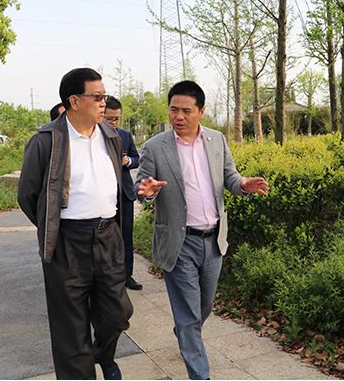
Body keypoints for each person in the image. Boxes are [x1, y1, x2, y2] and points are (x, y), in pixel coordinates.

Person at [133, 80, 269, 380]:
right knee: (190, 314)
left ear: (201, 111)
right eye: (174, 110)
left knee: (203, 306)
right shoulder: (155, 146)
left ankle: (185, 330)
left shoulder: (216, 140)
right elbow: (140, 187)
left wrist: (243, 184)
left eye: (186, 111)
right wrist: (147, 192)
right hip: (179, 242)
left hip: (214, 240)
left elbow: (230, 177)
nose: (179, 117)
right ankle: (200, 373)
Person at [17, 67, 133, 380]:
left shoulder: (111, 137)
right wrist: (54, 226)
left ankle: (100, 355)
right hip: (67, 243)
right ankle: (80, 366)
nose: (103, 102)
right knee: (71, 329)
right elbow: (28, 196)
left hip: (107, 238)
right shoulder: (46, 141)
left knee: (119, 313)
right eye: (97, 96)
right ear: (74, 101)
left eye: (104, 96)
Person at [103, 96, 143, 290]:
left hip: (125, 194)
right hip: (104, 196)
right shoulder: (95, 136)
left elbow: (137, 158)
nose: (113, 122)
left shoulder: (126, 135)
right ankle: (109, 277)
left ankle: (127, 275)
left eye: (116, 119)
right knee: (106, 239)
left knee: (126, 236)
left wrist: (129, 161)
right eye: (109, 118)